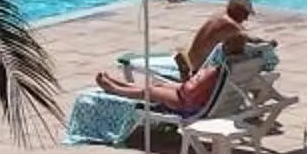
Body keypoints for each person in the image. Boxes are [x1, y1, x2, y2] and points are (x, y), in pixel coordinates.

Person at [96, 57, 226, 114]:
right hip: (204, 99)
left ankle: (115, 89)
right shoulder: (232, 69)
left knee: (152, 91)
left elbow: (188, 92)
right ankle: (122, 84)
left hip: (191, 104)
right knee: (160, 84)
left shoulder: (213, 72)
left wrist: (186, 75)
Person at [180, 0, 263, 75]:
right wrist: (269, 43)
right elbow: (250, 39)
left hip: (191, 64)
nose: (246, 18)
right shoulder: (230, 25)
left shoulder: (218, 17)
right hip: (198, 72)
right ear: (236, 8)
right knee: (247, 53)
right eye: (245, 13)